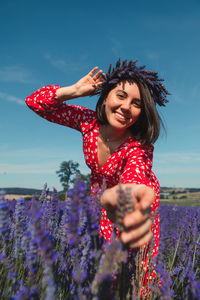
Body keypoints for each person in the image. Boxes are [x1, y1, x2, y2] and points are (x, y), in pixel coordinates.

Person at [25, 58, 169, 291]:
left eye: (136, 103)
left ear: (142, 113)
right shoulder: (88, 123)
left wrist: (129, 197)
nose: (126, 107)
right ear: (106, 97)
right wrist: (74, 91)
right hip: (101, 201)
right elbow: (35, 102)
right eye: (120, 96)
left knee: (137, 272)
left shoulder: (138, 147)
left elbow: (135, 177)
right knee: (101, 265)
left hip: (135, 206)